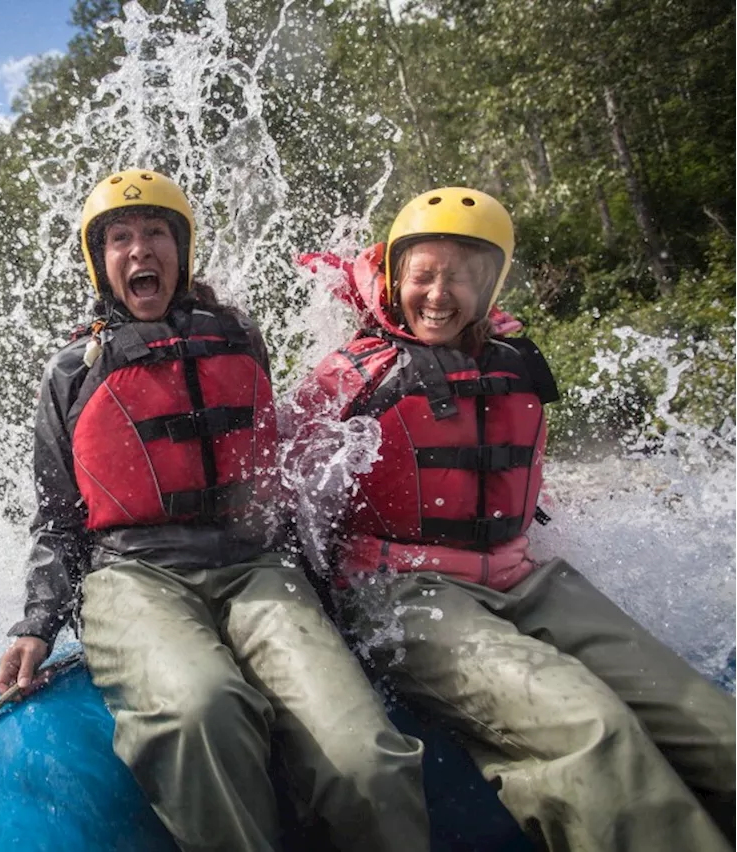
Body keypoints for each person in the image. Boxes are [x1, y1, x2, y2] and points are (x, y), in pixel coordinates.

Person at [284, 186, 737, 851]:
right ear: (394, 278)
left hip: (524, 579)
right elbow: (283, 497)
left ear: (491, 283)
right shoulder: (350, 375)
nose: (439, 294)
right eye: (424, 276)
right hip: (403, 593)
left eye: (462, 277)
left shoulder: (512, 358)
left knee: (717, 733)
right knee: (592, 727)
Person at [0, 168, 429, 852]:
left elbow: (273, 473)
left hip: (253, 565)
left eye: (157, 233)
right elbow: (57, 520)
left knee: (365, 755)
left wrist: (321, 586)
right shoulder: (73, 371)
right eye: (122, 239)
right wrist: (37, 623)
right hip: (133, 576)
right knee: (202, 709)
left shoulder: (238, 336)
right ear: (100, 261)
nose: (141, 251)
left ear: (182, 250)